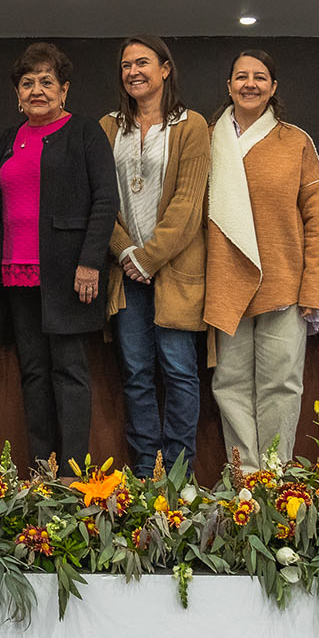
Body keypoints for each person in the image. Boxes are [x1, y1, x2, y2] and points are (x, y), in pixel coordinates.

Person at [0, 42, 118, 469]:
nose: (37, 90)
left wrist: (90, 262)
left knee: (70, 373)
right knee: (34, 375)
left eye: (47, 82)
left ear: (64, 89)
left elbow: (105, 200)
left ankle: (73, 475)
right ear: (17, 94)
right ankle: (42, 473)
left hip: (67, 274)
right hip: (15, 275)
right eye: (28, 83)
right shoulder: (9, 138)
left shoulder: (83, 132)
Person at [204, 49, 319, 469]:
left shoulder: (295, 142)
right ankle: (245, 479)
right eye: (241, 76)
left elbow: (318, 221)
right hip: (224, 282)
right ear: (229, 86)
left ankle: (274, 479)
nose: (250, 84)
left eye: (260, 77)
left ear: (273, 87)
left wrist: (314, 289)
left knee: (281, 385)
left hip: (284, 284)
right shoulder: (207, 139)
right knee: (230, 384)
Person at [98, 35, 210, 478]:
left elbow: (188, 205)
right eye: (126, 65)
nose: (133, 72)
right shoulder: (108, 127)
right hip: (124, 273)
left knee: (180, 372)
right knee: (137, 374)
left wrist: (149, 258)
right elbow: (101, 199)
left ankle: (179, 475)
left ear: (165, 69)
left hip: (176, 271)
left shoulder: (191, 124)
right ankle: (146, 472)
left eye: (142, 63)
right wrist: (126, 251)